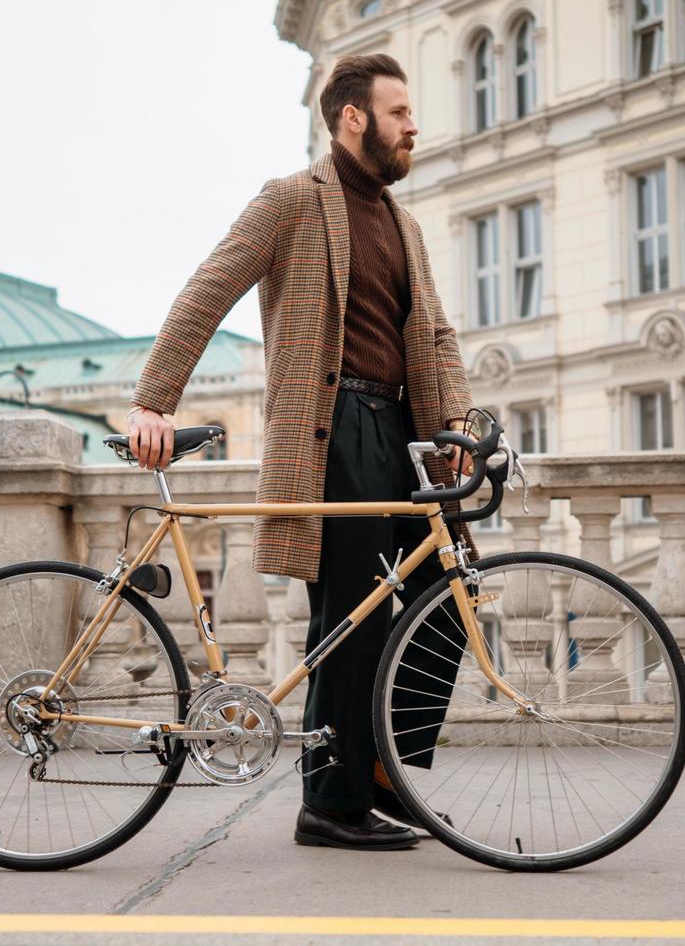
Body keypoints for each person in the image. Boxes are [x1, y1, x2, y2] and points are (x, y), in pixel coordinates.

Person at [126, 53, 479, 851]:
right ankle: (329, 802)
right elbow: (210, 286)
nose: (412, 125)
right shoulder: (292, 201)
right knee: (349, 622)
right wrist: (155, 399)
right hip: (334, 429)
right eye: (398, 112)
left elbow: (436, 337)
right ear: (352, 118)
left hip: (404, 436)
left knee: (446, 601)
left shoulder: (404, 224)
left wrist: (458, 421)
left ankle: (383, 771)